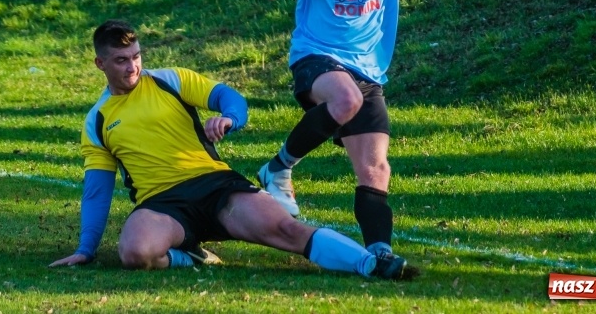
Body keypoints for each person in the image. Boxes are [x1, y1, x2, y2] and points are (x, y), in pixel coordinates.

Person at [49, 19, 411, 280]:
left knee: (285, 230)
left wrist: (229, 118)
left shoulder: (169, 80)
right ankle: (190, 256)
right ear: (100, 64)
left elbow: (229, 97)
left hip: (216, 186)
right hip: (161, 203)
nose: (133, 67)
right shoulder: (97, 120)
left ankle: (370, 264)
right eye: (121, 60)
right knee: (135, 252)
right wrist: (86, 248)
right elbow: (97, 190)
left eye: (136, 56)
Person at [251, 0, 444, 269]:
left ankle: (379, 253)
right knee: (345, 98)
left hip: (368, 71)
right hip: (315, 58)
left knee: (376, 169)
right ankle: (278, 167)